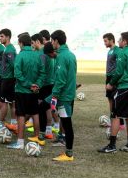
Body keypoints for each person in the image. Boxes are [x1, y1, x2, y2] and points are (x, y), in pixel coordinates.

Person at [98, 32, 128, 153]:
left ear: (125, 41)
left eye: (120, 39)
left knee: (115, 116)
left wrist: (111, 83)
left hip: (124, 88)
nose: (119, 41)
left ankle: (111, 146)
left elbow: (119, 71)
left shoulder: (123, 52)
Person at [7, 33, 46, 149]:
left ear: (21, 43)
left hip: (22, 90)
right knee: (35, 113)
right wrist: (36, 85)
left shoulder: (20, 56)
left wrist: (29, 85)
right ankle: (37, 137)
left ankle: (20, 142)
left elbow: (17, 73)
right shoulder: (37, 55)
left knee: (21, 115)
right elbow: (42, 72)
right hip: (34, 91)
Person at [49, 30, 77, 161]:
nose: (51, 43)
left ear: (56, 41)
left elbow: (61, 79)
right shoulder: (71, 55)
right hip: (68, 94)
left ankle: (69, 154)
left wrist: (54, 96)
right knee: (65, 123)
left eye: (51, 40)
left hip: (64, 96)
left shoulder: (62, 56)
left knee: (67, 124)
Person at [103, 33, 125, 129]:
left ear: (112, 40)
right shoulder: (110, 51)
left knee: (116, 100)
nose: (104, 43)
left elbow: (120, 66)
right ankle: (114, 119)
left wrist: (113, 81)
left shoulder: (117, 50)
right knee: (110, 99)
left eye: (106, 41)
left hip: (114, 78)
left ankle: (120, 122)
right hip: (108, 77)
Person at [0, 28, 17, 132]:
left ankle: (0, 123)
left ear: (8, 37)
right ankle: (14, 124)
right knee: (12, 102)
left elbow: (14, 65)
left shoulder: (9, 49)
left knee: (3, 102)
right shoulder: (9, 48)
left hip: (8, 79)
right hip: (10, 79)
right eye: (0, 36)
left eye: (2, 36)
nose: (0, 38)